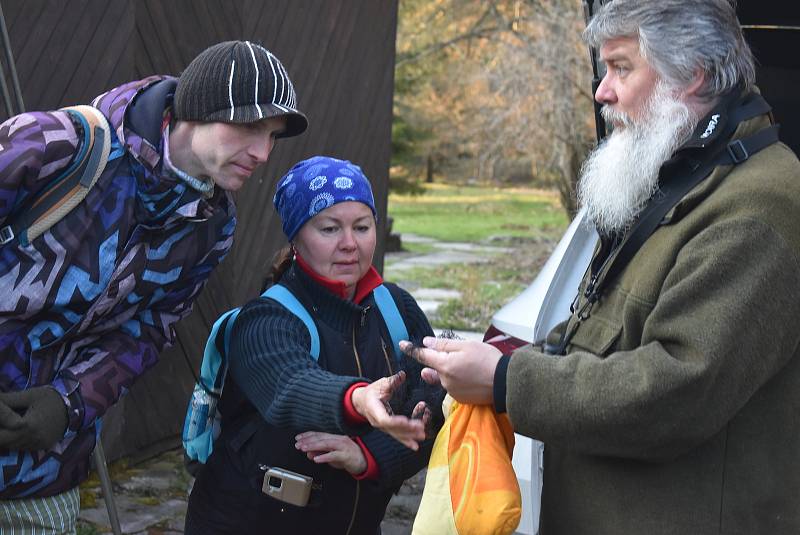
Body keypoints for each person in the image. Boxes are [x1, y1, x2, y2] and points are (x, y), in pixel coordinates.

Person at [404, 1, 800, 534]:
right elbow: (599, 333)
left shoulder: (757, 205)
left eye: (620, 67)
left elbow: (678, 391)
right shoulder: (687, 175)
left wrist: (504, 380)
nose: (601, 91)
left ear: (692, 75)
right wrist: (484, 364)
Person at [0, 40, 306, 531]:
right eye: (250, 127)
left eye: (272, 137)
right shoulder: (54, 144)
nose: (263, 153)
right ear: (199, 109)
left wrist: (67, 403)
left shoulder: (212, 226)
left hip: (42, 473)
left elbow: (146, 334)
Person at [184, 156, 441, 535]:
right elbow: (291, 386)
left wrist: (369, 456)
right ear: (296, 238)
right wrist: (357, 400)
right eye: (329, 228)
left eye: (362, 226)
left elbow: (432, 408)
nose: (349, 244)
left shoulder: (396, 307)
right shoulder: (266, 319)